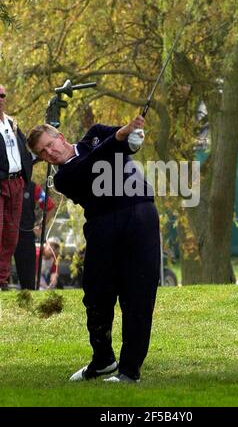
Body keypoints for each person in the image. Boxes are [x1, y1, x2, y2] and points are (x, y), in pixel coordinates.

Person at [27, 114, 160, 383]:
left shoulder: (97, 133)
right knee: (97, 296)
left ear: (60, 137)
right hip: (103, 226)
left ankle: (129, 371)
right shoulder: (63, 178)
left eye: (50, 144)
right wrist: (122, 136)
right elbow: (96, 161)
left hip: (141, 214)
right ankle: (103, 360)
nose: (49, 152)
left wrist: (134, 135)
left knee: (138, 294)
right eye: (43, 153)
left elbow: (127, 143)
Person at [0, 84, 33, 291]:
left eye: (3, 94)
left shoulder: (12, 122)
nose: (0, 98)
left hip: (16, 183)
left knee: (11, 235)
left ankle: (1, 280)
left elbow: (23, 148)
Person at [14, 181, 55, 290]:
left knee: (28, 278)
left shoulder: (33, 188)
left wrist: (41, 226)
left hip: (25, 235)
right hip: (5, 233)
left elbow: (50, 206)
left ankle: (28, 296)